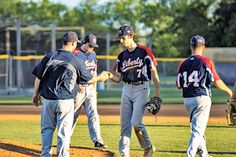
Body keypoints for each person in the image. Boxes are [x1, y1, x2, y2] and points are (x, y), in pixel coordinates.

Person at [32, 31, 108, 157]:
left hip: (48, 100)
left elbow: (38, 77)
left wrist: (35, 95)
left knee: (46, 130)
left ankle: (45, 155)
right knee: (64, 132)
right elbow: (88, 79)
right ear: (73, 43)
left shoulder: (49, 56)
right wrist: (100, 78)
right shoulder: (75, 59)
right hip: (65, 101)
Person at [108, 25, 161, 157]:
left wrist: (157, 95)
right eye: (120, 38)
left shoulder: (144, 51)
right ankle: (124, 154)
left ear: (131, 36)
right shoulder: (121, 56)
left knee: (136, 123)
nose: (121, 41)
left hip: (141, 88)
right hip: (126, 89)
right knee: (125, 125)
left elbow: (154, 72)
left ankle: (148, 146)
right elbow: (118, 78)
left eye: (123, 38)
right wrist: (110, 77)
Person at [176, 35, 232, 157]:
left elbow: (178, 85)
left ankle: (204, 154)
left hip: (187, 100)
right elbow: (216, 81)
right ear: (203, 47)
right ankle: (189, 155)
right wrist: (230, 92)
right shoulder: (206, 62)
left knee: (197, 128)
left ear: (190, 46)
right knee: (197, 130)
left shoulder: (182, 63)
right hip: (202, 98)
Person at [71, 34, 107, 148]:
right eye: (90, 45)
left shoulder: (93, 54)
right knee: (73, 115)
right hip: (79, 89)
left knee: (94, 114)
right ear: (84, 42)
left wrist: (95, 89)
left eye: (93, 46)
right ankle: (65, 138)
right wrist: (76, 85)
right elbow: (70, 72)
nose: (92, 48)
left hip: (90, 88)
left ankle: (98, 141)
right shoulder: (75, 54)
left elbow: (94, 72)